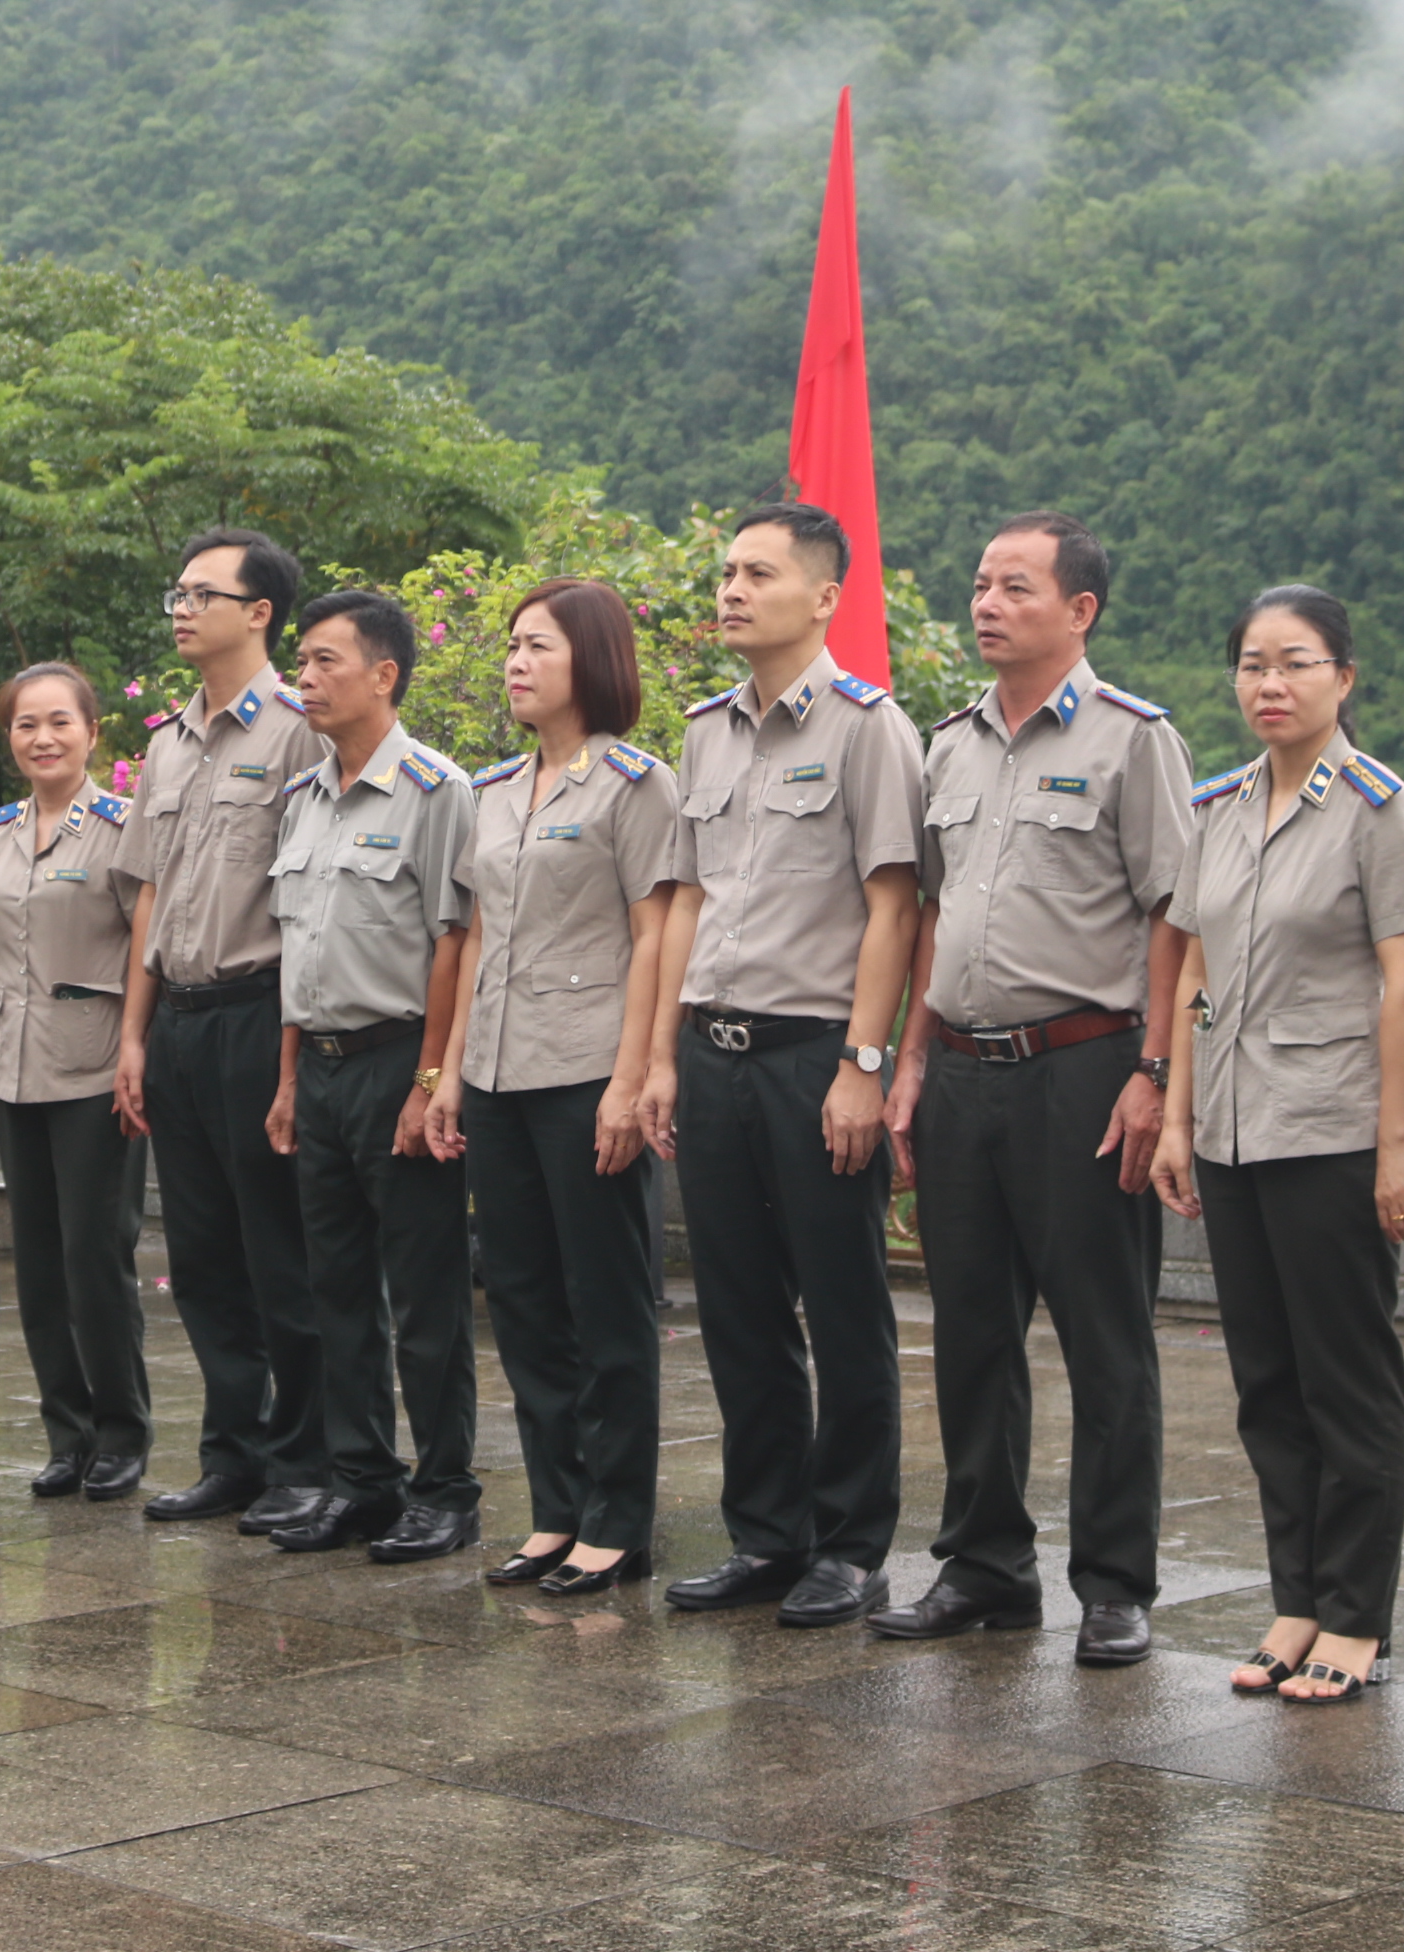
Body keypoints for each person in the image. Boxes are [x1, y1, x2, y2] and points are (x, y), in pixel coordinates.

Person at [877, 514, 1193, 1666]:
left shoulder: (1132, 740)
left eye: (1016, 585)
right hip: (963, 1069)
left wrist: (1154, 1073)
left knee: (1105, 1334)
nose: (987, 601)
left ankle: (1114, 1581)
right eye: (980, 583)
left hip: (1085, 1067)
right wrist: (910, 1062)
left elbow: (1174, 914)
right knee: (969, 1330)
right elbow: (932, 916)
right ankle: (983, 1564)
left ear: (1081, 610)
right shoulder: (947, 745)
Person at [1150, 584, 1404, 1706]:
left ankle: (1358, 1617)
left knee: (1347, 1381)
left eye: (1297, 664)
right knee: (1267, 1382)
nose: (1270, 685)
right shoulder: (1215, 806)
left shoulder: (1380, 809)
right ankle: (1297, 1597)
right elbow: (1196, 970)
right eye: (1253, 665)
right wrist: (1174, 1114)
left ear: (1344, 679)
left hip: (1328, 1128)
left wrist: (1397, 1146)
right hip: (1227, 1128)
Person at [653, 503, 925, 1629]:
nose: (730, 588)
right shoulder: (705, 732)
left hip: (814, 1051)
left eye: (756, 572)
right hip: (711, 1048)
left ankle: (852, 1543)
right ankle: (768, 1533)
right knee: (736, 1305)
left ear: (823, 597)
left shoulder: (870, 728)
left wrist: (863, 1064)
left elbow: (893, 904)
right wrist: (662, 1055)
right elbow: (687, 899)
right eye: (724, 570)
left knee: (843, 1300)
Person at [443, 576, 677, 1597]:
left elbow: (654, 936)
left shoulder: (634, 784)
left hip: (587, 1071)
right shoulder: (495, 791)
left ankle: (617, 1518)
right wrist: (447, 1074)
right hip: (496, 1068)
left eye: (537, 645)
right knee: (525, 1298)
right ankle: (555, 1507)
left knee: (606, 1300)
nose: (516, 661)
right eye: (510, 645)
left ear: (592, 657)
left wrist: (632, 1081)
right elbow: (479, 936)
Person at [113, 529, 336, 1531]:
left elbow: (311, 906)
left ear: (260, 614)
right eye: (177, 590)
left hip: (261, 1014)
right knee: (201, 1255)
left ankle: (309, 1456)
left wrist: (291, 1059)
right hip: (181, 1024)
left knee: (280, 1252)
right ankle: (232, 1451)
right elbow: (150, 896)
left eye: (203, 592)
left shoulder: (299, 731)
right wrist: (133, 1036)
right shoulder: (166, 744)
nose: (180, 606)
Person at [263, 588, 481, 1562]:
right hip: (322, 1065)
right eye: (299, 662)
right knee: (336, 1290)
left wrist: (432, 1080)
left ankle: (445, 1488)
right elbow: (294, 955)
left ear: (384, 674)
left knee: (425, 1293)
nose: (302, 679)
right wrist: (286, 1080)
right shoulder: (301, 798)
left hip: (401, 1056)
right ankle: (362, 1480)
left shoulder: (437, 792)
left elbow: (453, 942)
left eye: (322, 661)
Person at [0, 661, 153, 1504]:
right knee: (35, 1263)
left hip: (94, 1068)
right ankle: (67, 1435)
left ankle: (121, 1432)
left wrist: (137, 1044)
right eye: (27, 725)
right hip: (12, 1069)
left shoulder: (122, 827)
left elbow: (147, 946)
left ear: (93, 733)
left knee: (95, 1259)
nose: (43, 738)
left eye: (60, 722)